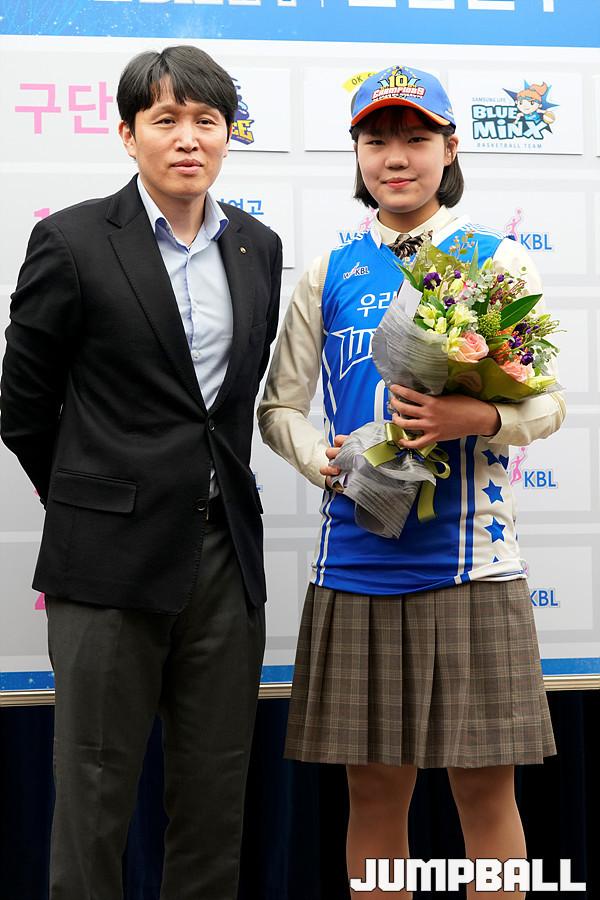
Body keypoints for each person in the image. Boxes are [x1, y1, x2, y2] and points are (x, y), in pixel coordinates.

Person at [258, 65, 564, 899]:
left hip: (472, 566)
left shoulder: (494, 260)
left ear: (450, 148)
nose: (396, 157)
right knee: (373, 790)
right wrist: (321, 459)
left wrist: (479, 418)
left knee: (486, 791)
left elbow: (549, 403)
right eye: (377, 139)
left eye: (417, 138)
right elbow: (279, 405)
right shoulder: (329, 270)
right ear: (357, 153)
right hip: (357, 562)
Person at [1, 45, 282, 900]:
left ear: (228, 134)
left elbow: (228, 407)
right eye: (166, 120)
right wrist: (93, 497)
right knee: (94, 794)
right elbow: (23, 405)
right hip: (106, 561)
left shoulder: (258, 247)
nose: (188, 138)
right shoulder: (73, 240)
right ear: (129, 135)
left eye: (207, 120)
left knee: (214, 794)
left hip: (223, 558)